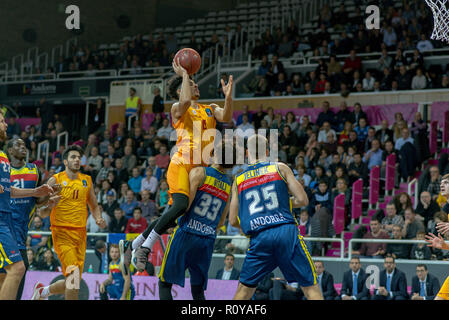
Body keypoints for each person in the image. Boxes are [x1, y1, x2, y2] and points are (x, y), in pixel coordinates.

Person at [120, 57, 234, 271]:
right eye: (191, 84)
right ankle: (146, 247)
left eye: (194, 82)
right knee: (180, 207)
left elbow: (226, 115)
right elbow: (183, 102)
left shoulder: (209, 108)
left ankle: (132, 244)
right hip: (181, 165)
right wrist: (184, 76)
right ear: (182, 89)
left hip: (199, 171)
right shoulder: (176, 108)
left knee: (176, 215)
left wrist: (228, 98)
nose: (196, 85)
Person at [229, 134, 323, 300]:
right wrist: (282, 202)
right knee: (310, 286)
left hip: (259, 236)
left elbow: (232, 220)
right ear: (267, 151)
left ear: (246, 153)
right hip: (285, 232)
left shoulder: (239, 179)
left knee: (244, 291)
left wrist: (245, 230)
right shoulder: (280, 168)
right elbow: (302, 200)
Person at [153, 140, 234, 300]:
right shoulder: (228, 185)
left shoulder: (199, 173)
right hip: (207, 239)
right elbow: (221, 221)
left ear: (215, 154)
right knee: (197, 291)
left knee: (164, 284)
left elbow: (184, 207)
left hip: (186, 234)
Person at [31, 145, 107, 300]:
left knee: (74, 281)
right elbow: (41, 212)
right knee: (73, 275)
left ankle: (43, 292)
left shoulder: (86, 181)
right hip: (62, 233)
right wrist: (49, 204)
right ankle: (44, 292)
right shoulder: (56, 180)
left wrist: (98, 217)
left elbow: (93, 205)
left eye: (79, 157)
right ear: (65, 161)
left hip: (81, 235)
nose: (77, 159)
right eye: (73, 157)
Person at [0, 111, 56, 300]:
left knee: (9, 276)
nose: (6, 125)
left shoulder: (29, 168)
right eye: (1, 121)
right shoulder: (4, 160)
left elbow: (14, 191)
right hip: (4, 224)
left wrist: (42, 195)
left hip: (15, 227)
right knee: (17, 268)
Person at [6, 138, 51, 299]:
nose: (23, 147)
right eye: (18, 145)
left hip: (21, 234)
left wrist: (48, 196)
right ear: (10, 151)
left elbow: (37, 200)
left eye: (24, 145)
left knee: (17, 285)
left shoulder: (34, 170)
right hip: (4, 230)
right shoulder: (4, 170)